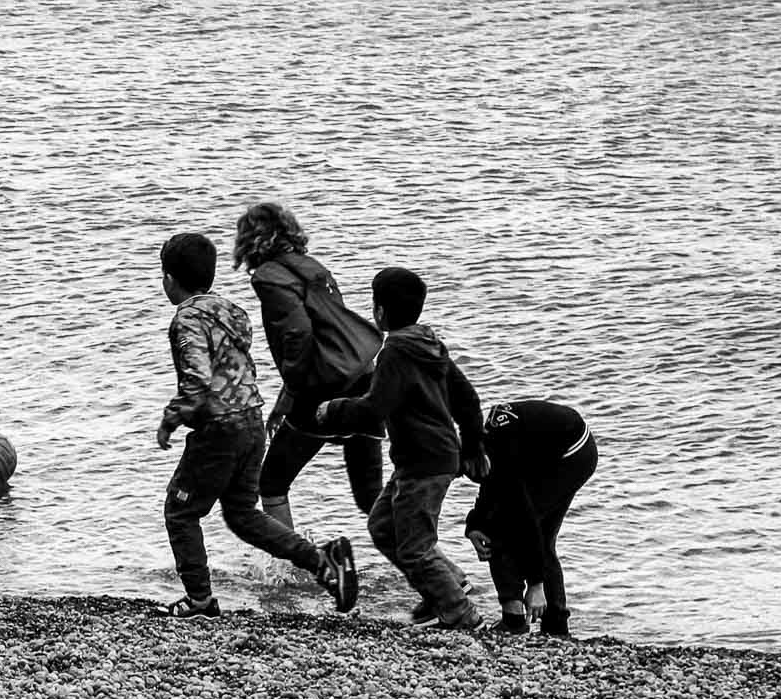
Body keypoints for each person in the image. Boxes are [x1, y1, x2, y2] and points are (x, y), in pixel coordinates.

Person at [153, 232, 358, 618]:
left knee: (180, 513)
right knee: (243, 514)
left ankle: (199, 600)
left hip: (219, 429)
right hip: (251, 422)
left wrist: (172, 418)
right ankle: (322, 562)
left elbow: (197, 379)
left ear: (168, 279)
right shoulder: (233, 311)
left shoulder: (186, 318)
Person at [317, 266, 485, 630]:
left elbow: (376, 407)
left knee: (414, 546)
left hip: (424, 461)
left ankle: (460, 612)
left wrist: (334, 410)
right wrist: (472, 447)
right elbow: (467, 399)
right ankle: (446, 585)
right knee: (382, 526)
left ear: (379, 311)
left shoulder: (395, 350)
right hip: (426, 458)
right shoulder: (429, 345)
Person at [232, 202, 377, 599]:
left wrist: (292, 393)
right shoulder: (313, 267)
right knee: (370, 496)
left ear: (250, 240)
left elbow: (297, 338)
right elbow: (335, 335)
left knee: (271, 482)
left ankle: (306, 570)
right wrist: (284, 398)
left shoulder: (269, 277)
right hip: (364, 381)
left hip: (320, 391)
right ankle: (447, 577)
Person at [463, 399, 597, 637]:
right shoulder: (485, 447)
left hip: (573, 453)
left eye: (465, 472)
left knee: (510, 527)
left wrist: (535, 585)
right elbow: (491, 484)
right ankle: (554, 626)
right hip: (546, 450)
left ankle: (518, 620)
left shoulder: (501, 451)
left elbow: (524, 518)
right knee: (508, 525)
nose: (468, 478)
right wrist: (474, 524)